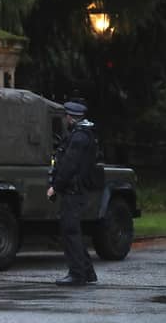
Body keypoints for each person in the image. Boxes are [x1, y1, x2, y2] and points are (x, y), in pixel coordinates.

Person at [47, 101, 98, 286]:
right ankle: (87, 272)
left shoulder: (79, 137)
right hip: (77, 189)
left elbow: (69, 165)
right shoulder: (84, 135)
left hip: (73, 190)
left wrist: (56, 186)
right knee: (73, 231)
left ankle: (77, 274)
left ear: (70, 117)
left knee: (70, 232)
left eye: (67, 117)